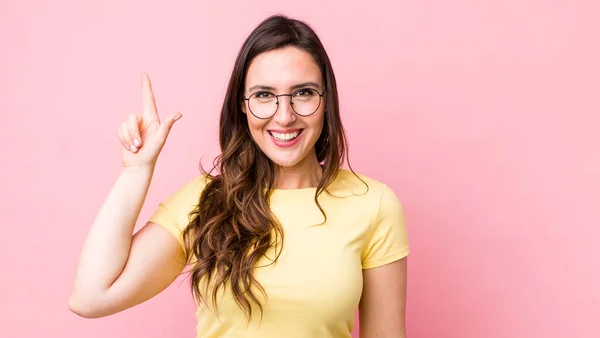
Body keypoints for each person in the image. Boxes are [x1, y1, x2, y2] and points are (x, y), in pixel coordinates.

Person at [69, 14, 410, 338]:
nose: (285, 116)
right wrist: (136, 171)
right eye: (264, 95)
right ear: (243, 105)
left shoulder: (373, 204)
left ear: (326, 100)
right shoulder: (205, 201)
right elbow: (90, 297)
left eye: (303, 93)